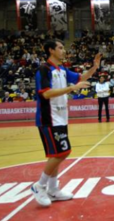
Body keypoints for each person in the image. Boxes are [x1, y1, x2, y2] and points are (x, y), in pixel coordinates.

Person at [31, 40, 101, 207]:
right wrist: (71, 88)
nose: (64, 50)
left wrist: (95, 67)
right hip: (48, 118)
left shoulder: (62, 69)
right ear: (51, 50)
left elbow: (81, 78)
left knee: (56, 154)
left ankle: (53, 189)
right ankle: (39, 186)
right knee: (63, 152)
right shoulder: (44, 69)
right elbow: (46, 94)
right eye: (60, 48)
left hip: (61, 117)